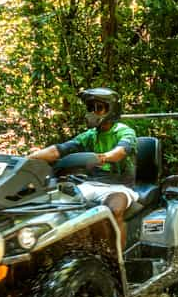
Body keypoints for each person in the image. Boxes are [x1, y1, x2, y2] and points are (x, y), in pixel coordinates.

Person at [28, 87, 137, 245]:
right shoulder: (90, 135)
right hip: (90, 185)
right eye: (90, 108)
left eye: (98, 108)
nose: (92, 112)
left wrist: (103, 157)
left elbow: (120, 152)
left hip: (118, 186)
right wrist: (26, 159)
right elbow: (59, 150)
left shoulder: (124, 131)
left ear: (111, 110)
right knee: (59, 206)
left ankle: (117, 260)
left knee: (113, 210)